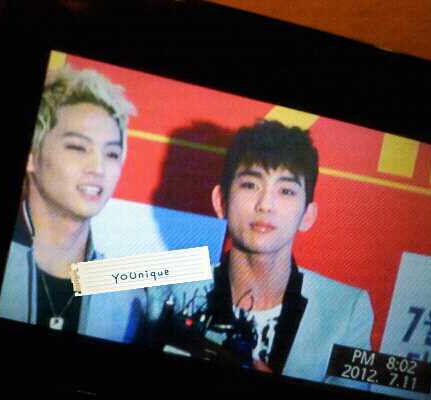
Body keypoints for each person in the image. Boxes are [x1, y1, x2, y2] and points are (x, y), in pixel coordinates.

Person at [149, 120, 374, 390]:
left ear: (308, 215)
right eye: (250, 185)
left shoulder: (347, 309)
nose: (266, 204)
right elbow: (98, 278)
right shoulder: (163, 279)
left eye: (286, 191)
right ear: (221, 201)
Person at [0, 64, 146, 343]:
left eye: (112, 154)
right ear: (32, 157)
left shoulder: (127, 301)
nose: (98, 168)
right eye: (78, 147)